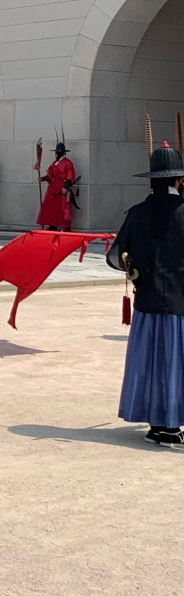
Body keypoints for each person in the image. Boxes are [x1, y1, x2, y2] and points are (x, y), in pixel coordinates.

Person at [108, 141, 184, 446]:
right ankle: (172, 425)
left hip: (148, 303)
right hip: (181, 304)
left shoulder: (137, 213)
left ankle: (157, 425)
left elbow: (116, 256)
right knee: (176, 365)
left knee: (151, 365)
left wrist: (135, 266)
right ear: (179, 180)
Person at [37, 141, 77, 230]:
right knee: (52, 207)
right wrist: (43, 178)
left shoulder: (68, 163)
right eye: (56, 152)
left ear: (63, 152)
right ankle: (52, 225)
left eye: (58, 152)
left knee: (63, 208)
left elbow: (70, 176)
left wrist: (66, 187)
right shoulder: (54, 163)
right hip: (53, 188)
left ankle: (66, 227)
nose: (57, 154)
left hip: (62, 187)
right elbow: (50, 175)